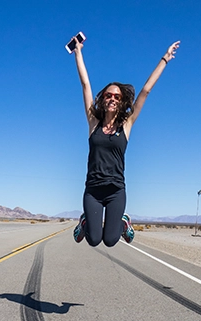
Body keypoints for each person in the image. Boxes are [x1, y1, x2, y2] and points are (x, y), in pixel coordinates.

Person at [72, 36, 180, 247]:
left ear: (121, 102)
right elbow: (85, 85)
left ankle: (123, 222)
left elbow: (146, 91)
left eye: (117, 97)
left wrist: (165, 59)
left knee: (111, 241)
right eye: (109, 95)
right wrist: (78, 52)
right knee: (94, 240)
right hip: (93, 190)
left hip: (115, 190)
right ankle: (85, 222)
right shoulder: (93, 122)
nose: (112, 98)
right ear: (103, 98)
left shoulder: (127, 124)